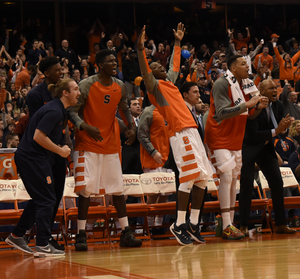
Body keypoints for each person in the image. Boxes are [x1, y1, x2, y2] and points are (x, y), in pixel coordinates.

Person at [137, 23, 214, 246]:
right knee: (189, 179)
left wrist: (178, 42)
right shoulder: (154, 87)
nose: (159, 66)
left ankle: (193, 223)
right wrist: (141, 50)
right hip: (180, 133)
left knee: (202, 180)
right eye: (154, 66)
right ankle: (179, 223)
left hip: (192, 132)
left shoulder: (168, 82)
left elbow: (174, 63)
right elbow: (145, 71)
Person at [68, 49, 142, 251]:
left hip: (110, 144)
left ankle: (125, 233)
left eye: (114, 61)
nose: (114, 64)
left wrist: (131, 126)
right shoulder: (87, 84)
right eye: (110, 61)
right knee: (86, 190)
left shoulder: (119, 86)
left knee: (117, 189)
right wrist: (84, 126)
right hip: (87, 143)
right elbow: (71, 110)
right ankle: (81, 235)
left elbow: (124, 107)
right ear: (100, 65)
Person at [5, 78, 79, 257]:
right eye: (76, 89)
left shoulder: (58, 109)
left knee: (41, 198)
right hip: (32, 158)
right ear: (65, 93)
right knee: (47, 199)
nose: (79, 92)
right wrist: (61, 151)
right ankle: (42, 244)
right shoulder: (54, 110)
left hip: (34, 158)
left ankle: (17, 234)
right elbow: (39, 136)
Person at [204, 55, 268, 240]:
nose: (247, 67)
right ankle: (226, 225)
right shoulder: (222, 84)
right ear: (232, 67)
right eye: (243, 64)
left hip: (235, 138)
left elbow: (248, 115)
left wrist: (258, 107)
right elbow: (223, 113)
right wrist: (248, 104)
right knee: (225, 177)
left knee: (232, 179)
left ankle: (230, 224)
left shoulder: (245, 84)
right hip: (218, 136)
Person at [239, 79, 296, 236]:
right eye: (270, 88)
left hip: (265, 147)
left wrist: (286, 126)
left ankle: (280, 224)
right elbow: (252, 135)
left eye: (275, 87)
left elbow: (278, 128)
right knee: (247, 186)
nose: (274, 90)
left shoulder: (277, 104)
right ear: (261, 91)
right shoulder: (254, 105)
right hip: (249, 147)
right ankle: (243, 225)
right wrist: (277, 130)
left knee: (277, 181)